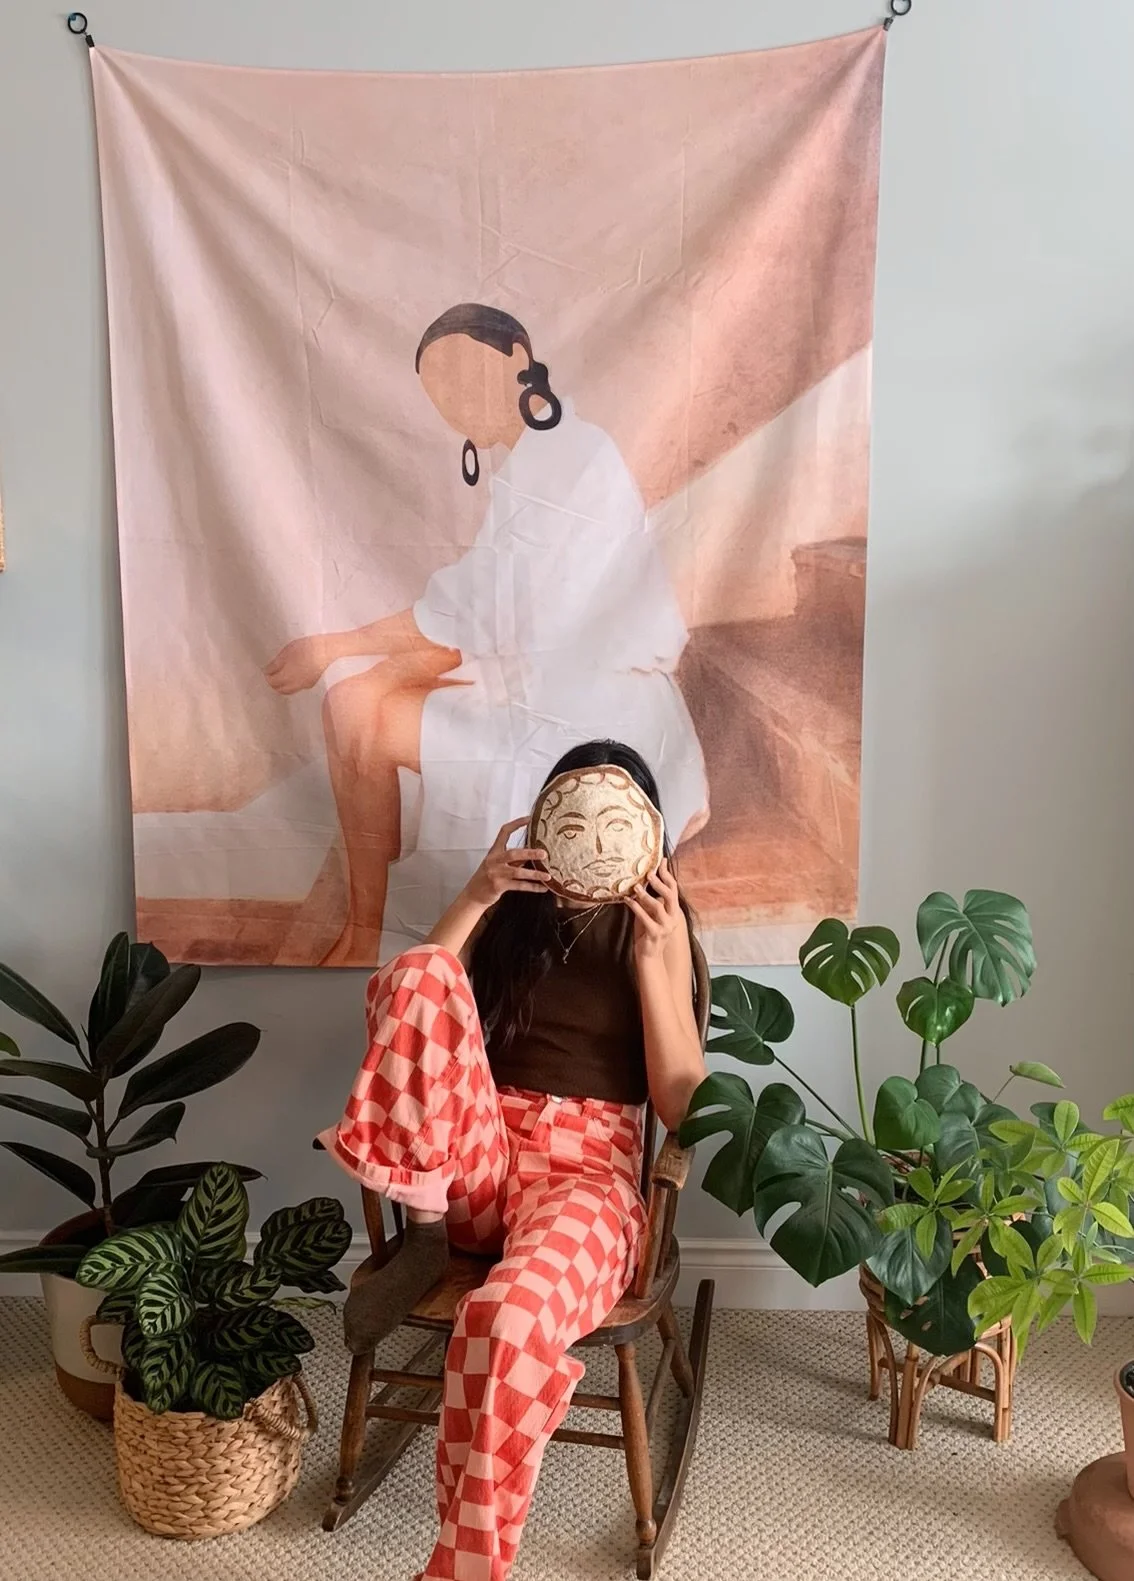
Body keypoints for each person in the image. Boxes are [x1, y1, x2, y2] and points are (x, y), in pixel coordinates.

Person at [317, 740, 706, 1581]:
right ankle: (423, 1228)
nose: (592, 841)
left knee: (504, 1320)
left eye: (613, 824)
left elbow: (681, 1106)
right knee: (418, 971)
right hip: (477, 1152)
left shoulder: (660, 925)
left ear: (644, 830)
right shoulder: (512, 911)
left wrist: (652, 959)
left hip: (588, 1173)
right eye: (574, 819)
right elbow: (406, 1008)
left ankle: (465, 1566)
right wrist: (478, 894)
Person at [265, 304, 708, 967]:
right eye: (437, 389)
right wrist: (386, 663)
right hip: (545, 685)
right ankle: (364, 920)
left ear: (518, 358)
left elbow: (478, 608)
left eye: (461, 372)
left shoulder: (568, 458)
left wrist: (333, 647)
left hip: (586, 711)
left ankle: (363, 929)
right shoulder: (542, 457)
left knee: (353, 706)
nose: (452, 398)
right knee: (355, 701)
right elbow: (491, 612)